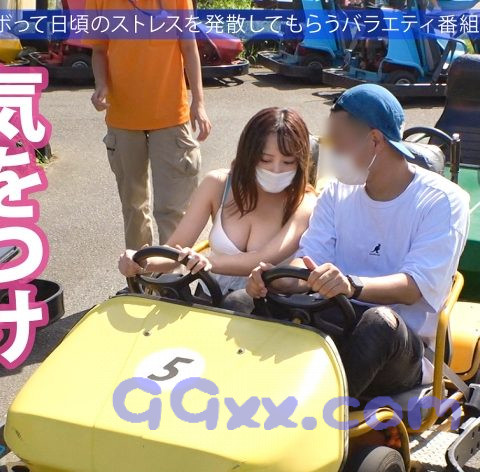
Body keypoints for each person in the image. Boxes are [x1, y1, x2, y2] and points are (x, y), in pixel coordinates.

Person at [247, 84, 470, 398]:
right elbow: (308, 262)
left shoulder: (442, 201)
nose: (332, 152)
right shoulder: (336, 193)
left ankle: (319, 417)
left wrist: (351, 285)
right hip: (335, 321)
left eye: (338, 143)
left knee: (378, 323)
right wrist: (272, 279)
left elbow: (413, 287)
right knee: (241, 302)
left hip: (403, 346)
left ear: (375, 140)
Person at [118, 108, 317, 307]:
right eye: (266, 159)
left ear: (301, 162)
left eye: (288, 162)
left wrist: (208, 262)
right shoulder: (217, 184)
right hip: (209, 299)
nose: (276, 170)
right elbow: (175, 250)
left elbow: (261, 258)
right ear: (249, 154)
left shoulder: (304, 202)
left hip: (267, 311)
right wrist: (141, 262)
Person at [85, 0, 211, 249]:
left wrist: (198, 102)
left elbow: (189, 47)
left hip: (171, 116)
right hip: (123, 118)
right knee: (133, 207)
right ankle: (139, 270)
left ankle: (171, 272)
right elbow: (99, 50)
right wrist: (101, 85)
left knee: (173, 210)